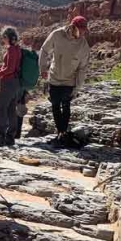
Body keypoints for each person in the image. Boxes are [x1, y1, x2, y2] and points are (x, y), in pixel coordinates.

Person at [39, 16, 91, 146]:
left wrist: (78, 87)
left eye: (84, 30)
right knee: (55, 106)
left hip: (69, 81)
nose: (83, 32)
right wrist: (43, 68)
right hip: (54, 78)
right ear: (73, 27)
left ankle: (62, 134)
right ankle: (60, 133)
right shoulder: (57, 34)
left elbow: (83, 68)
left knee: (66, 106)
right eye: (81, 29)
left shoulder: (83, 45)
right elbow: (44, 50)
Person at [0, 27, 22, 147]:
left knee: (1, 108)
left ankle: (1, 136)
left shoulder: (11, 50)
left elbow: (9, 69)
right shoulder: (17, 49)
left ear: (8, 37)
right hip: (14, 82)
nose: (3, 40)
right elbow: (8, 67)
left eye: (4, 37)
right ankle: (10, 137)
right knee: (10, 109)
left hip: (8, 82)